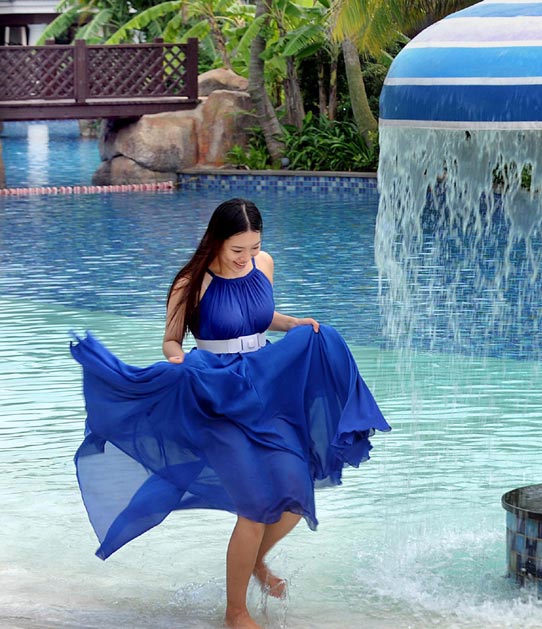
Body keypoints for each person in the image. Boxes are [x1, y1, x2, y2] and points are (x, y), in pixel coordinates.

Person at [70, 198, 390, 629]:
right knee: (256, 507)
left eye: (254, 248)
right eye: (238, 250)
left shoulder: (264, 264)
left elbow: (258, 319)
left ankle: (255, 563)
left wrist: (293, 324)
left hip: (264, 384)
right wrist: (177, 360)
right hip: (215, 396)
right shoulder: (191, 282)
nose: (247, 258)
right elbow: (170, 339)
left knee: (295, 497)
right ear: (217, 241)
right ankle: (235, 612)